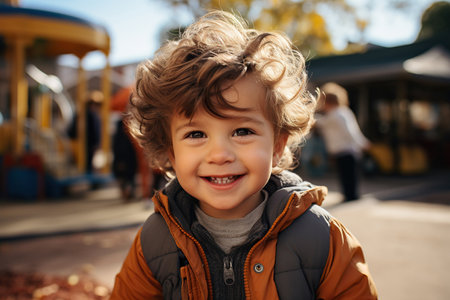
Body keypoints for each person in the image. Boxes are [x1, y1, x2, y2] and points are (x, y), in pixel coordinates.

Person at [111, 11, 377, 299]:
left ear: (277, 146)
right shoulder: (154, 243)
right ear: (171, 153)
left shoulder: (322, 237)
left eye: (242, 132)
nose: (220, 154)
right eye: (196, 134)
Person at [315, 82, 371, 202]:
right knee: (347, 175)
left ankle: (351, 196)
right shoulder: (338, 113)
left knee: (348, 175)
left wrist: (362, 143)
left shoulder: (337, 114)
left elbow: (351, 132)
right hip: (344, 151)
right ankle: (350, 195)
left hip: (347, 150)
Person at [112, 117, 138, 201]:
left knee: (127, 177)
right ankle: (128, 192)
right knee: (126, 178)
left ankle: (129, 192)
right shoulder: (125, 131)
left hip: (128, 158)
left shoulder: (121, 131)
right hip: (125, 158)